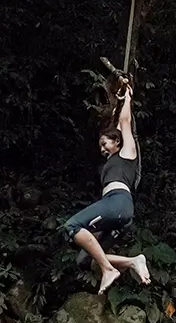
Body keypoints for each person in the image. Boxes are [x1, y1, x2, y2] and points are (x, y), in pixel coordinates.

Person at [60, 79, 150, 293]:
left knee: (71, 227)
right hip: (117, 211)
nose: (101, 149)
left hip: (118, 202)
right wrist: (119, 100)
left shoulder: (127, 153)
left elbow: (125, 122)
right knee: (85, 259)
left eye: (104, 143)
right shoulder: (113, 160)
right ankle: (133, 262)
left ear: (117, 142)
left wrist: (128, 97)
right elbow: (118, 121)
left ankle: (109, 270)